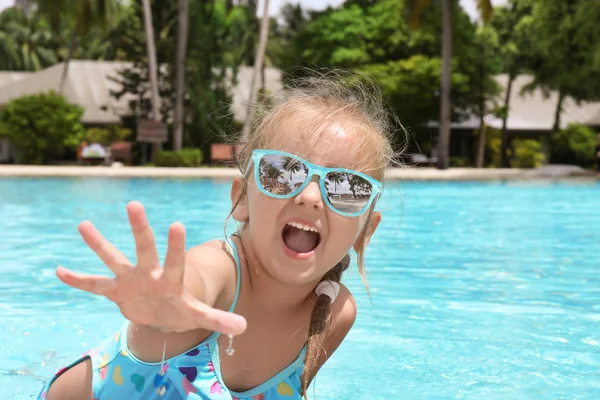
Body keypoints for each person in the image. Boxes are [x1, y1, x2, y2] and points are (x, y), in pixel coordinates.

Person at [38, 73, 397, 400]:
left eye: (349, 188)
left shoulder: (335, 312)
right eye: (282, 172)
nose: (309, 196)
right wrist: (168, 306)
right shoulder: (221, 271)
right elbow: (195, 280)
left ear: (365, 231)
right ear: (242, 199)